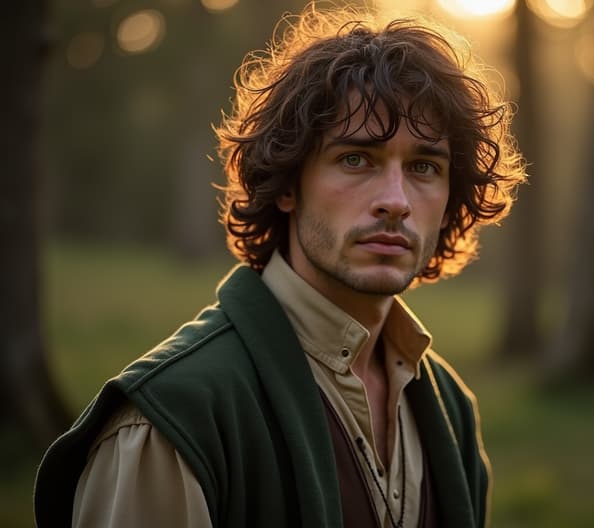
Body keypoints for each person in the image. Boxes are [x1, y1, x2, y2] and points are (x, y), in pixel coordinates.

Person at [34, 3, 525, 527]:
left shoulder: (450, 409)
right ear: (288, 183)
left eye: (424, 166)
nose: (396, 200)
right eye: (356, 158)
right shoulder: (173, 421)